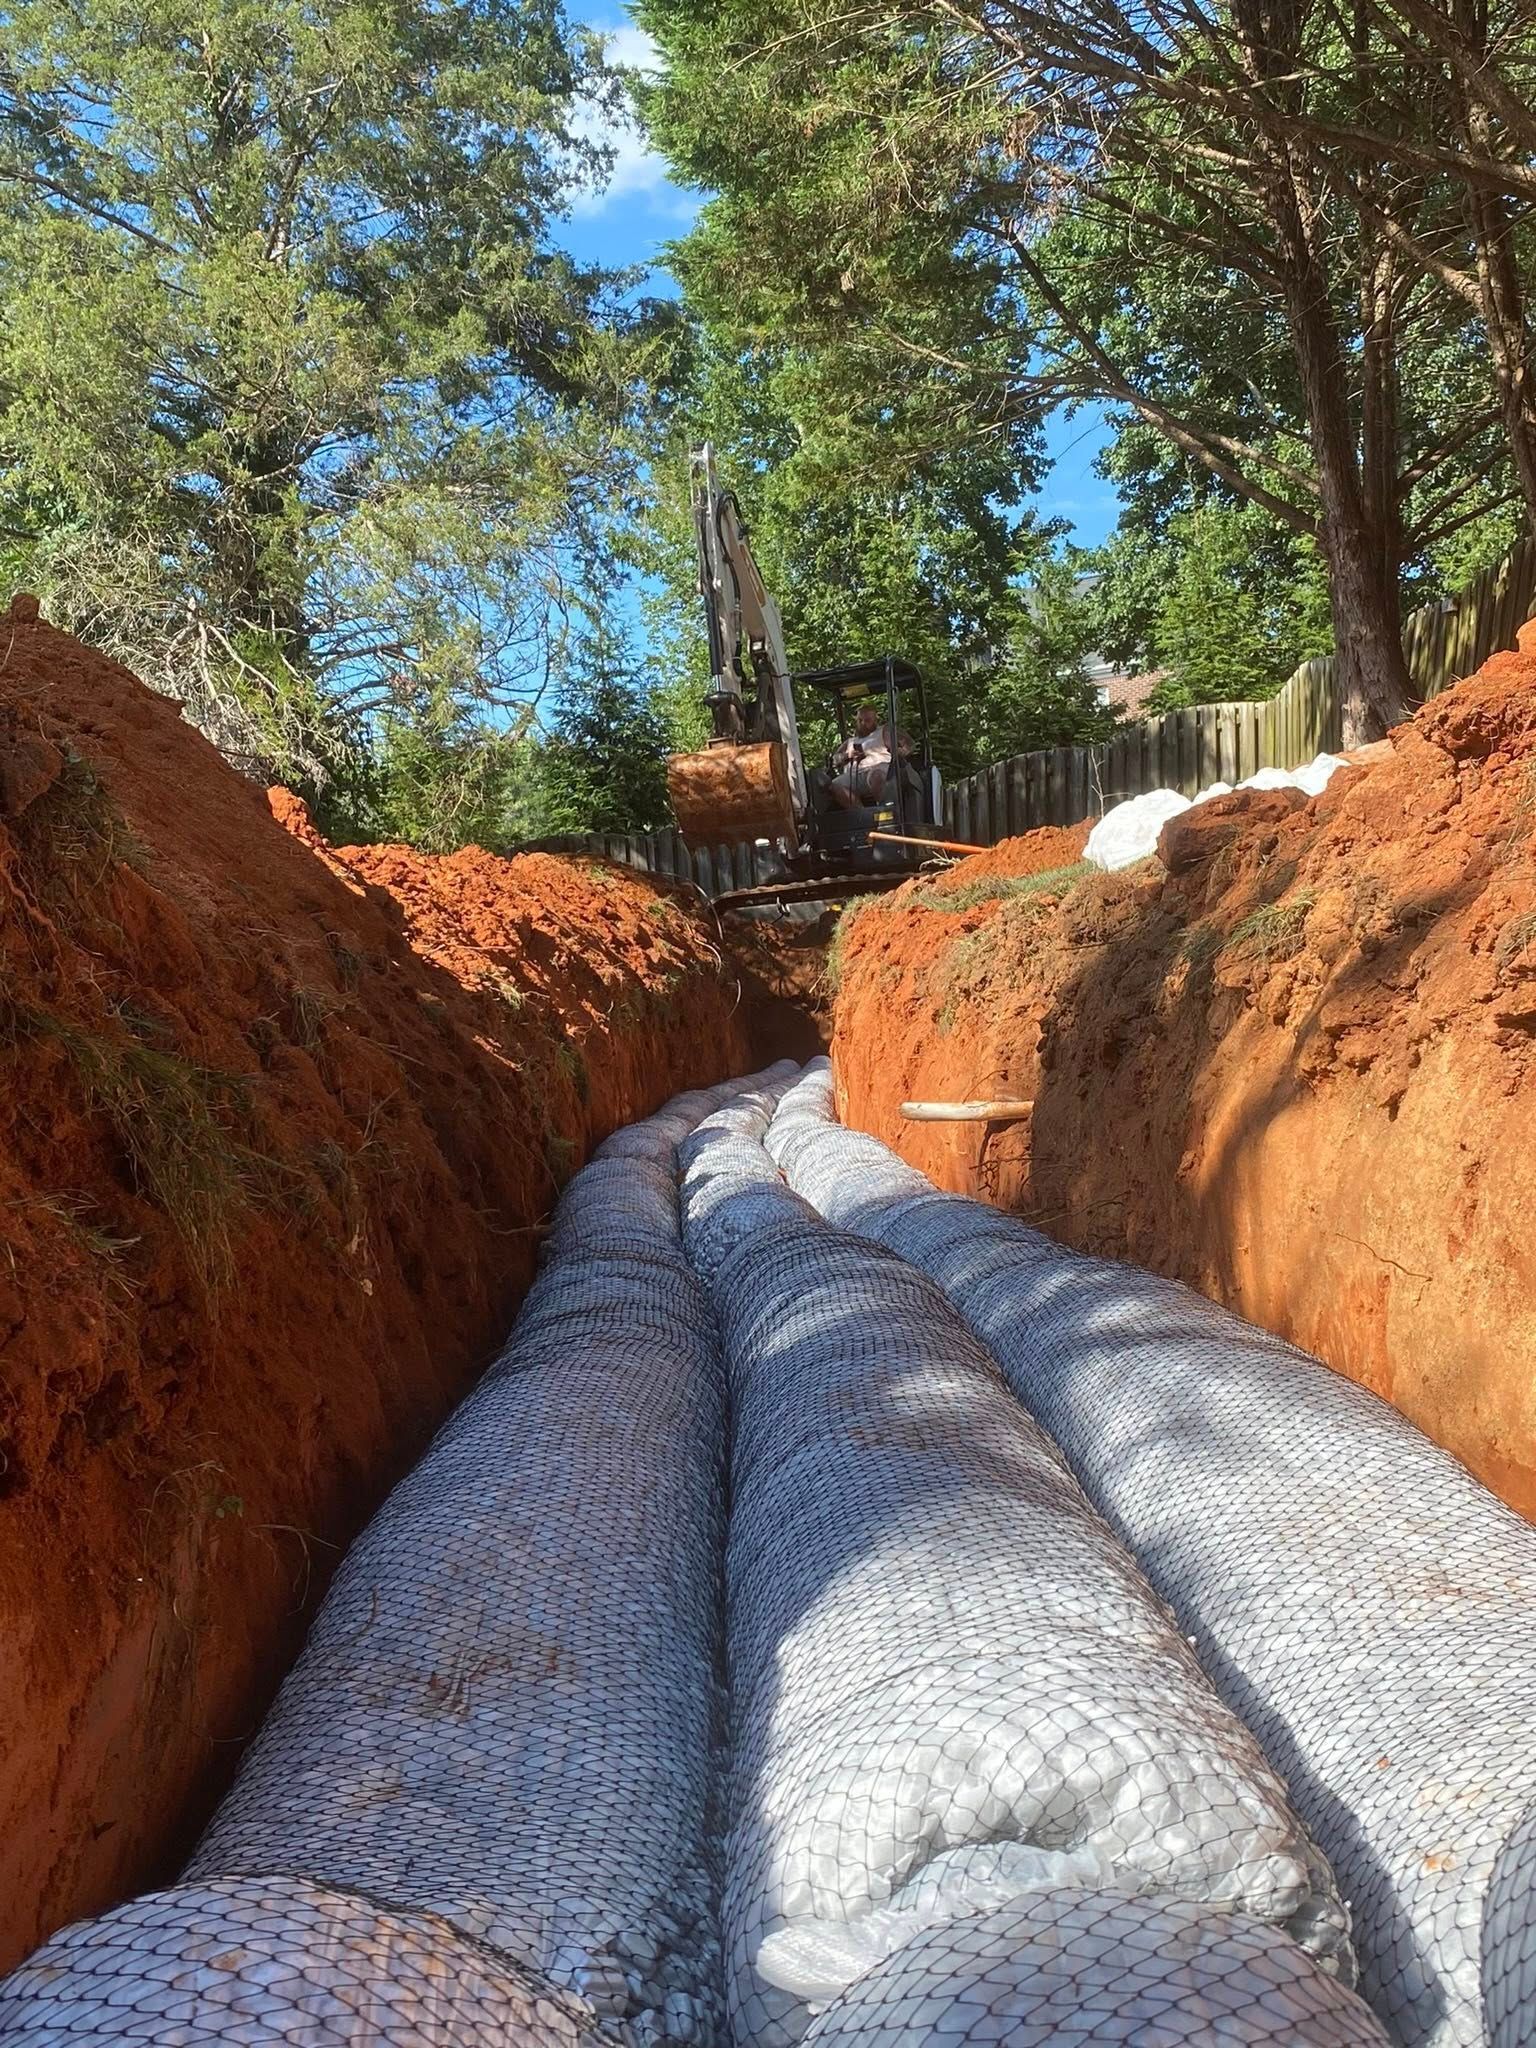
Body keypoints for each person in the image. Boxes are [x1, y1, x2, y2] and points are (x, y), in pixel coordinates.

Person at [828, 702, 913, 809]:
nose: (863, 723)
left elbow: (908, 744)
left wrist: (902, 751)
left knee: (876, 776)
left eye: (867, 720)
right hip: (855, 776)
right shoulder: (850, 741)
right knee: (834, 785)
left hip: (879, 770)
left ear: (875, 720)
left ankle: (885, 811)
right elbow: (835, 759)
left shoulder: (884, 732)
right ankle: (861, 815)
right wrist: (846, 756)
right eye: (860, 720)